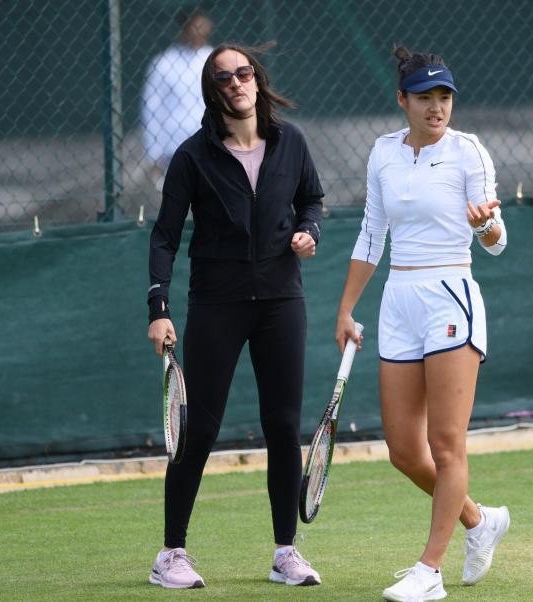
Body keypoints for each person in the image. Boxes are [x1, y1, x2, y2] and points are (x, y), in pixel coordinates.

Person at [335, 45, 511, 601]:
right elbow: (371, 234)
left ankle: (429, 570)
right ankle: (480, 522)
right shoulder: (383, 153)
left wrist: (485, 229)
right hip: (398, 301)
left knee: (446, 441)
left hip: (450, 297)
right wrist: (345, 308)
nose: (437, 108)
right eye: (425, 98)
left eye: (444, 97)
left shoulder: (469, 153)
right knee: (406, 453)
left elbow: (498, 242)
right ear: (402, 101)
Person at [146, 43, 324, 590]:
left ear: (257, 78)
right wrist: (159, 308)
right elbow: (165, 237)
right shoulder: (192, 156)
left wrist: (308, 233)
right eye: (223, 78)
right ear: (213, 91)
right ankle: (171, 554)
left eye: (243, 72)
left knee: (282, 426)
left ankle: (285, 553)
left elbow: (313, 201)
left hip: (280, 302)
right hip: (217, 304)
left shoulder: (290, 142)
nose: (236, 83)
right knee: (197, 427)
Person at [141, 7, 214, 186]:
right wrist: (153, 152)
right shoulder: (164, 63)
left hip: (211, 144)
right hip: (173, 149)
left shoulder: (215, 59)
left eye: (203, 25)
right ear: (185, 28)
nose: (201, 30)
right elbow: (151, 109)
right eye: (196, 25)